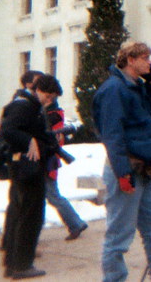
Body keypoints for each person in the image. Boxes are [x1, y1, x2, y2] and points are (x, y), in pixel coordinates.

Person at [93, 41, 151, 282]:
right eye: (145, 58)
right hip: (128, 169)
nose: (149, 62)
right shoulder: (114, 90)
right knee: (119, 236)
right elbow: (112, 134)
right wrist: (122, 173)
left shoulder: (137, 86)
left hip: (143, 170)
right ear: (131, 60)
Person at [0, 73, 63, 279]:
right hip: (26, 169)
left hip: (26, 168)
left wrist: (48, 141)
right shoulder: (24, 106)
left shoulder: (29, 105)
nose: (50, 101)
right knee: (30, 217)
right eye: (49, 95)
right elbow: (7, 131)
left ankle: (14, 262)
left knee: (21, 214)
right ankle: (21, 264)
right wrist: (30, 141)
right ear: (39, 90)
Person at [44, 99, 88, 240]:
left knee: (53, 196)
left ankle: (76, 223)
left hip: (48, 161)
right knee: (52, 196)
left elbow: (56, 139)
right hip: (47, 160)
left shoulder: (52, 115)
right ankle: (76, 223)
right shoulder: (51, 114)